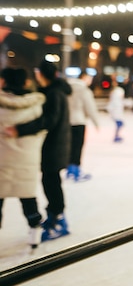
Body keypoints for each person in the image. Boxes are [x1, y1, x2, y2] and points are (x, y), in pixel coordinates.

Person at [9, 60, 73, 242]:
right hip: (53, 145)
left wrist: (21, 129)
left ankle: (59, 220)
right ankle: (55, 215)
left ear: (42, 74)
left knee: (51, 183)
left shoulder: (54, 94)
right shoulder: (53, 91)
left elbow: (49, 120)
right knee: (50, 181)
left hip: (54, 146)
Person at [0, 67, 47, 248]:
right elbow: (42, 128)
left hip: (2, 160)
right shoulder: (36, 105)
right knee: (28, 197)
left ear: (4, 81)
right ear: (25, 82)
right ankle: (35, 230)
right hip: (26, 160)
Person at [67, 71, 99, 181]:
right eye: (89, 78)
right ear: (83, 77)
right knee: (77, 147)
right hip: (79, 121)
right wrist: (96, 122)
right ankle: (76, 171)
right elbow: (90, 107)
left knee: (70, 146)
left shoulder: (67, 88)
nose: (90, 81)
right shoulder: (84, 90)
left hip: (67, 122)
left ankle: (69, 170)